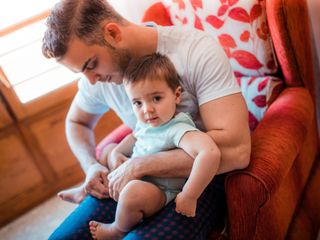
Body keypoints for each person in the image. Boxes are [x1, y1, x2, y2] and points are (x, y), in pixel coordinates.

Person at [42, 0, 251, 239]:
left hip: (196, 183)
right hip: (131, 180)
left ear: (112, 33)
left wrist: (140, 164)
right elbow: (76, 123)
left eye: (91, 65)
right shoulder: (97, 79)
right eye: (82, 72)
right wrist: (91, 166)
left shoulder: (195, 50)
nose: (91, 80)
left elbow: (237, 150)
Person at [85, 53, 220, 239]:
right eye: (138, 103)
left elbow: (210, 152)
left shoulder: (177, 128)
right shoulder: (146, 123)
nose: (147, 109)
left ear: (177, 95)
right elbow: (134, 136)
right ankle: (82, 191)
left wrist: (190, 194)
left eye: (156, 98)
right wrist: (116, 152)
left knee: (132, 193)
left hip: (159, 191)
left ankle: (118, 229)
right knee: (109, 150)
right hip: (135, 176)